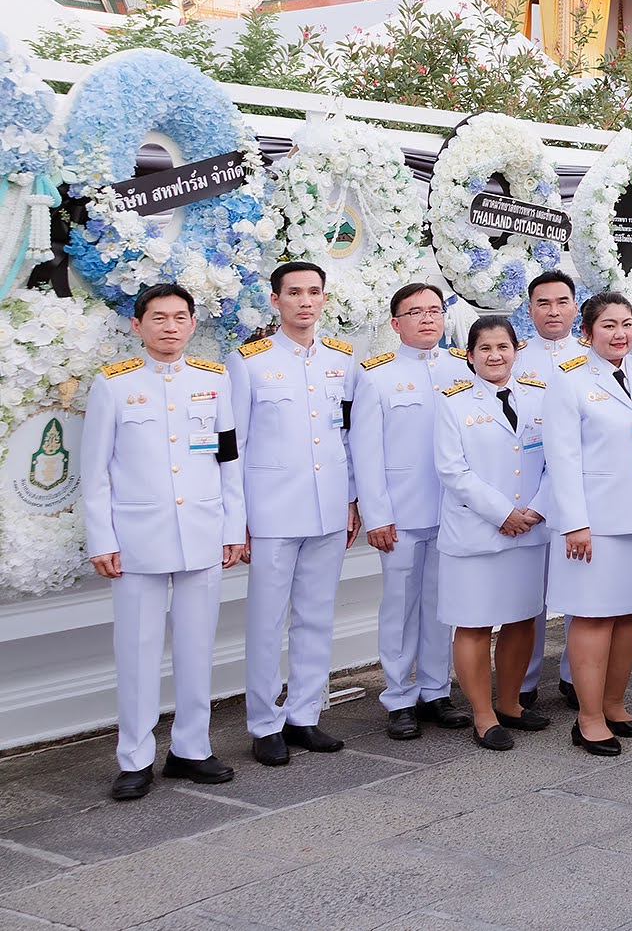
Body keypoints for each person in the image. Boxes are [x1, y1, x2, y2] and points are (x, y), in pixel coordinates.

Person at [82, 283, 245, 800]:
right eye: (158, 318)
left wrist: (232, 527)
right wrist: (102, 538)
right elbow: (96, 473)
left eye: (179, 317)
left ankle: (191, 749)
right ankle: (134, 757)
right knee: (137, 650)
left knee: (198, 646)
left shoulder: (214, 381)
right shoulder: (113, 386)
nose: (170, 326)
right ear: (138, 326)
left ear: (193, 324)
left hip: (202, 531)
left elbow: (228, 461)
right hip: (137, 538)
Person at [228, 262, 356, 767]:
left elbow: (346, 437)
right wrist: (237, 520)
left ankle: (304, 714)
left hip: (327, 508)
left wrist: (350, 500)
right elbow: (232, 446)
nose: (305, 301)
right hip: (273, 513)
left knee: (316, 616)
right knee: (266, 621)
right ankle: (264, 722)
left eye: (314, 292)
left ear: (324, 299)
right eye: (295, 293)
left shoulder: (342, 361)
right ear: (276, 300)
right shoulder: (250, 362)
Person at [541, 292, 632, 755]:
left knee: (627, 615)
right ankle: (589, 716)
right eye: (609, 326)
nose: (620, 334)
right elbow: (561, 456)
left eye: (627, 324)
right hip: (594, 522)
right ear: (587, 333)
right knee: (594, 617)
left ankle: (614, 704)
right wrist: (575, 522)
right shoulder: (569, 380)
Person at [352, 283, 471, 740]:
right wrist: (377, 514)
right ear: (395, 322)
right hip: (401, 514)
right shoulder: (377, 375)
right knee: (400, 605)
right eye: (415, 312)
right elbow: (366, 452)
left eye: (435, 310)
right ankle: (399, 696)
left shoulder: (462, 368)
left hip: (453, 511)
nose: (427, 319)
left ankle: (436, 690)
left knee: (443, 603)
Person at [433, 316, 553, 750]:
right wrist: (503, 513)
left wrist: (536, 510)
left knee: (522, 618)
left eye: (502, 347)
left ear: (515, 350)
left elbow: (557, 459)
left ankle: (511, 704)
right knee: (474, 624)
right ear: (469, 356)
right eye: (484, 348)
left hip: (529, 529)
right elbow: (452, 470)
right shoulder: (453, 403)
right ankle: (483, 715)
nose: (495, 356)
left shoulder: (540, 398)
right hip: (477, 533)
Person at [515, 270, 583, 708]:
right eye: (543, 303)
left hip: (577, 496)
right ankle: (522, 682)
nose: (553, 311)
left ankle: (577, 676)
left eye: (561, 302)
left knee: (581, 593)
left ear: (576, 306)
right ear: (530, 309)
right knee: (527, 596)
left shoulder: (591, 356)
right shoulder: (514, 358)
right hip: (525, 501)